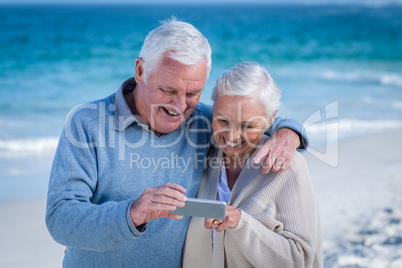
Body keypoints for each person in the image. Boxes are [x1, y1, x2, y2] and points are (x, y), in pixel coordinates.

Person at [45, 19, 309, 267]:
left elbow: (248, 119)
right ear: (140, 71)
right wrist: (132, 213)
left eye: (193, 93)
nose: (180, 106)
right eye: (168, 91)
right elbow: (60, 218)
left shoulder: (203, 120)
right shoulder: (87, 122)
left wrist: (289, 132)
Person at [183, 62, 322, 268]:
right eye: (222, 121)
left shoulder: (289, 165)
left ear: (271, 117)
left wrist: (240, 223)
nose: (231, 136)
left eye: (247, 125)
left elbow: (301, 260)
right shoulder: (203, 150)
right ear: (213, 109)